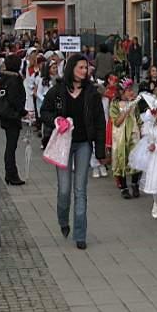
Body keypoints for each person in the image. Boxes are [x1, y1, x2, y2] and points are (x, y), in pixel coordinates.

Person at [40, 54, 107, 249]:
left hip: (83, 143)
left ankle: (80, 234)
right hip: (63, 144)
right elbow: (44, 111)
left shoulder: (92, 93)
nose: (84, 71)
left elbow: (100, 122)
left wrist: (100, 151)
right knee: (64, 189)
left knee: (80, 189)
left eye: (86, 68)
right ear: (71, 68)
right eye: (81, 68)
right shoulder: (58, 90)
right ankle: (63, 220)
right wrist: (56, 120)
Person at [0, 55, 27, 185]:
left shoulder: (4, 78)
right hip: (12, 115)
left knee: (10, 145)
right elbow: (15, 99)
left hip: (5, 114)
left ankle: (10, 173)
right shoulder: (14, 80)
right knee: (11, 146)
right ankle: (11, 174)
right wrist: (23, 112)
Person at [110, 79, 142, 199]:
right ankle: (124, 187)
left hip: (133, 133)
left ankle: (135, 184)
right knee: (121, 159)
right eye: (128, 90)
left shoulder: (135, 103)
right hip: (120, 135)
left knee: (136, 158)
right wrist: (126, 110)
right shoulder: (115, 104)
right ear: (122, 92)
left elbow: (138, 118)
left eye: (132, 90)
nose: (131, 92)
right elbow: (116, 122)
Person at [36, 60, 59, 148]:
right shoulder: (43, 80)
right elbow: (38, 92)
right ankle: (44, 141)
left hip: (55, 103)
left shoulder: (58, 79)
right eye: (53, 68)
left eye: (56, 67)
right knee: (45, 123)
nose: (55, 69)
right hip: (45, 102)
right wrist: (44, 100)